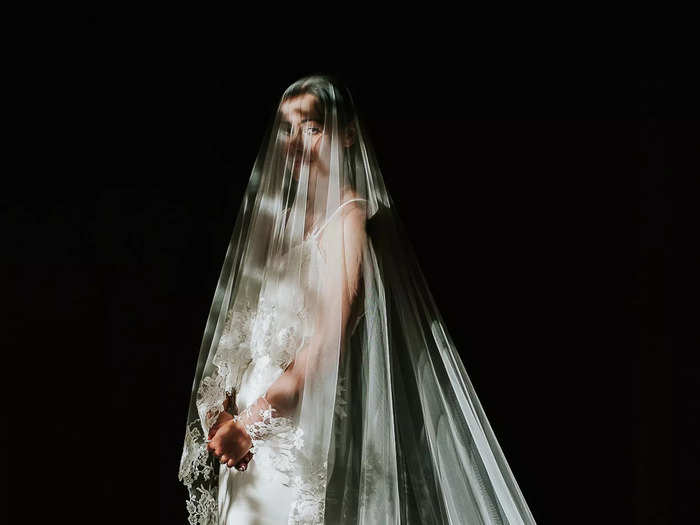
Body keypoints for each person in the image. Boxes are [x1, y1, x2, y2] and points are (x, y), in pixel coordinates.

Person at [179, 74, 538, 524]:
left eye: (311, 128)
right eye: (287, 130)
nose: (295, 144)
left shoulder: (350, 219)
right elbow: (241, 336)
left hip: (290, 432)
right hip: (247, 441)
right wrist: (220, 416)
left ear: (347, 134)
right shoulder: (287, 223)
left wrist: (250, 424)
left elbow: (330, 342)